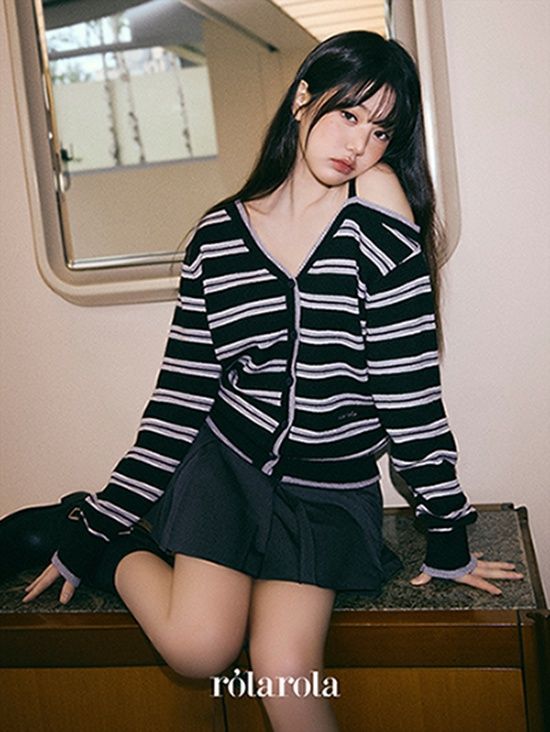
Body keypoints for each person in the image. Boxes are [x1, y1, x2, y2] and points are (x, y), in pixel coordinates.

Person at [20, 31, 523, 732]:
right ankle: (88, 529)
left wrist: (447, 529)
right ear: (302, 99)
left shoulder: (379, 222)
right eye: (348, 114)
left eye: (381, 130)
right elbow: (179, 401)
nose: (360, 143)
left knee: (284, 672)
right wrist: (101, 521)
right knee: (199, 649)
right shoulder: (219, 239)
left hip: (326, 492)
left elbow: (407, 391)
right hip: (228, 471)